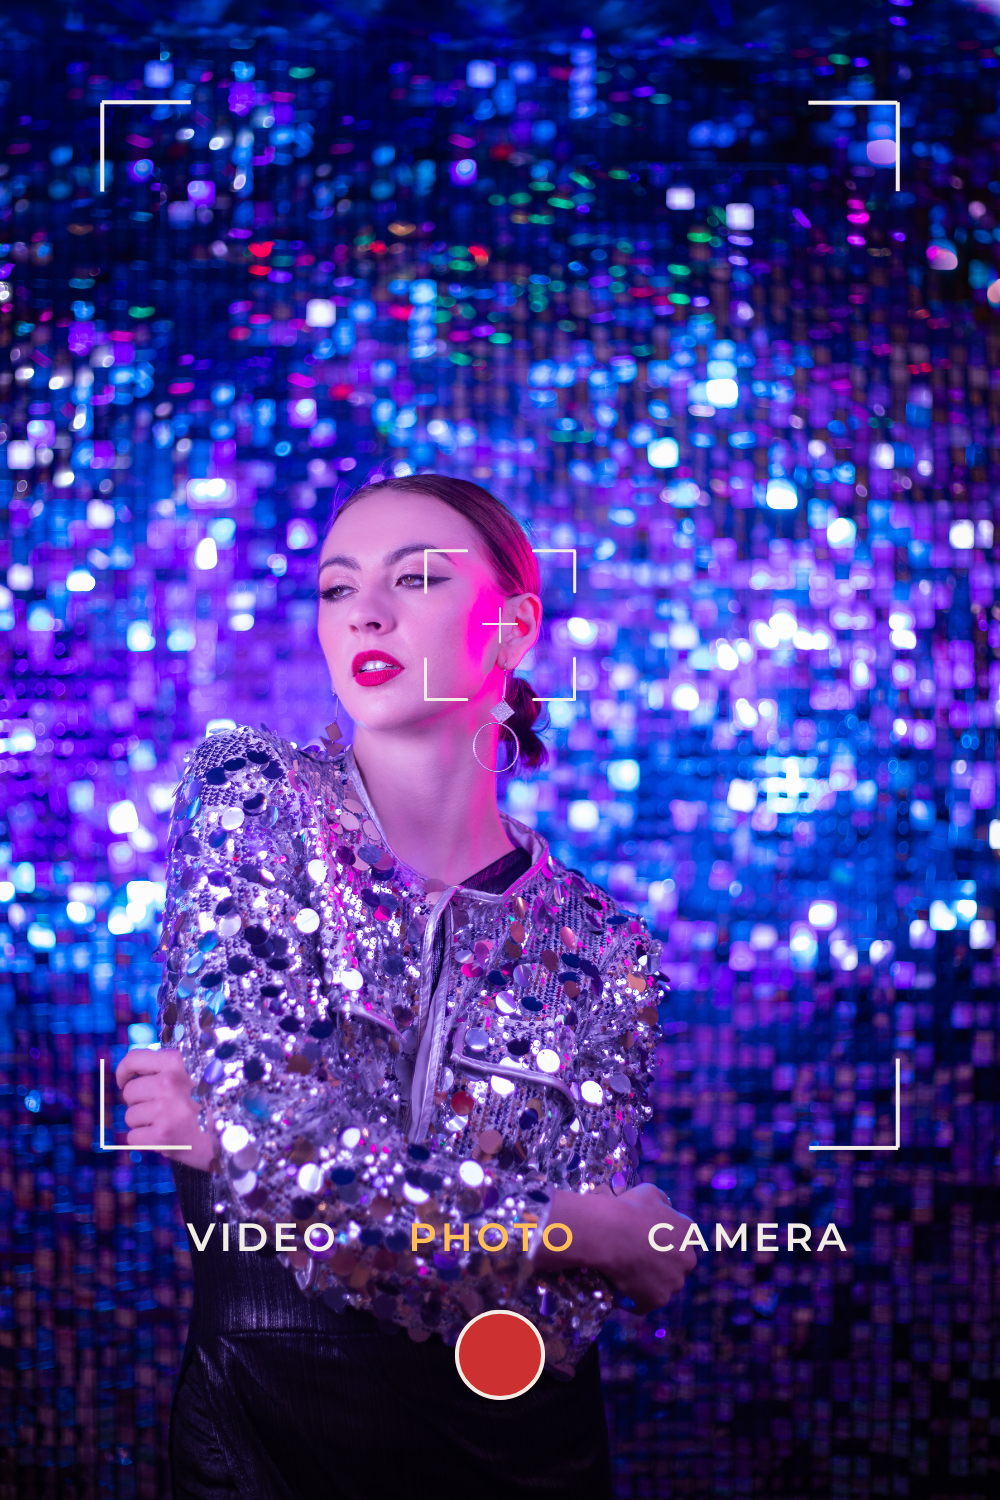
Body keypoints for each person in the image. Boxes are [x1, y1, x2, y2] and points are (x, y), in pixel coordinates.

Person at [117, 474, 698, 1499]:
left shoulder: (603, 941)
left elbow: (563, 1313)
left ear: (515, 627)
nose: (367, 612)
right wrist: (577, 1226)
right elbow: (287, 1144)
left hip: (524, 1450)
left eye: (418, 577)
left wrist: (255, 1152)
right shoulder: (255, 797)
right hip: (271, 1437)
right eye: (338, 589)